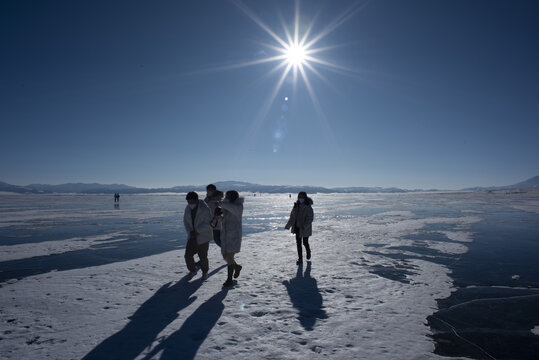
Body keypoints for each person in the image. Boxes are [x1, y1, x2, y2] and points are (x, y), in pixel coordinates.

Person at [183, 191, 213, 280]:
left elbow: (208, 223)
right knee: (188, 255)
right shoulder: (187, 208)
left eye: (192, 202)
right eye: (188, 202)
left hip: (203, 236)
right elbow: (186, 221)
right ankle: (192, 270)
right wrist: (190, 231)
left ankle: (205, 272)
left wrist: (198, 231)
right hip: (192, 235)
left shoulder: (204, 208)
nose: (190, 204)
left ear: (196, 200)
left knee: (202, 256)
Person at [218, 190, 244, 287]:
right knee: (225, 256)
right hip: (225, 234)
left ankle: (229, 279)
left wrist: (221, 204)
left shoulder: (238, 206)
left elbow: (230, 208)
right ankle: (237, 267)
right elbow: (225, 219)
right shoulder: (227, 206)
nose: (226, 198)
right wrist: (219, 218)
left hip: (234, 235)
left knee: (229, 256)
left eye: (227, 196)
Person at [285, 191, 314, 265]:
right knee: (298, 243)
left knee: (305, 242)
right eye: (300, 197)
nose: (301, 198)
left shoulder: (308, 207)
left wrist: (305, 226)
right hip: (297, 227)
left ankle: (308, 252)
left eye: (302, 197)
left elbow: (310, 218)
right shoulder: (296, 206)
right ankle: (300, 259)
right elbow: (292, 217)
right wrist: (288, 225)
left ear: (305, 198)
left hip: (304, 229)